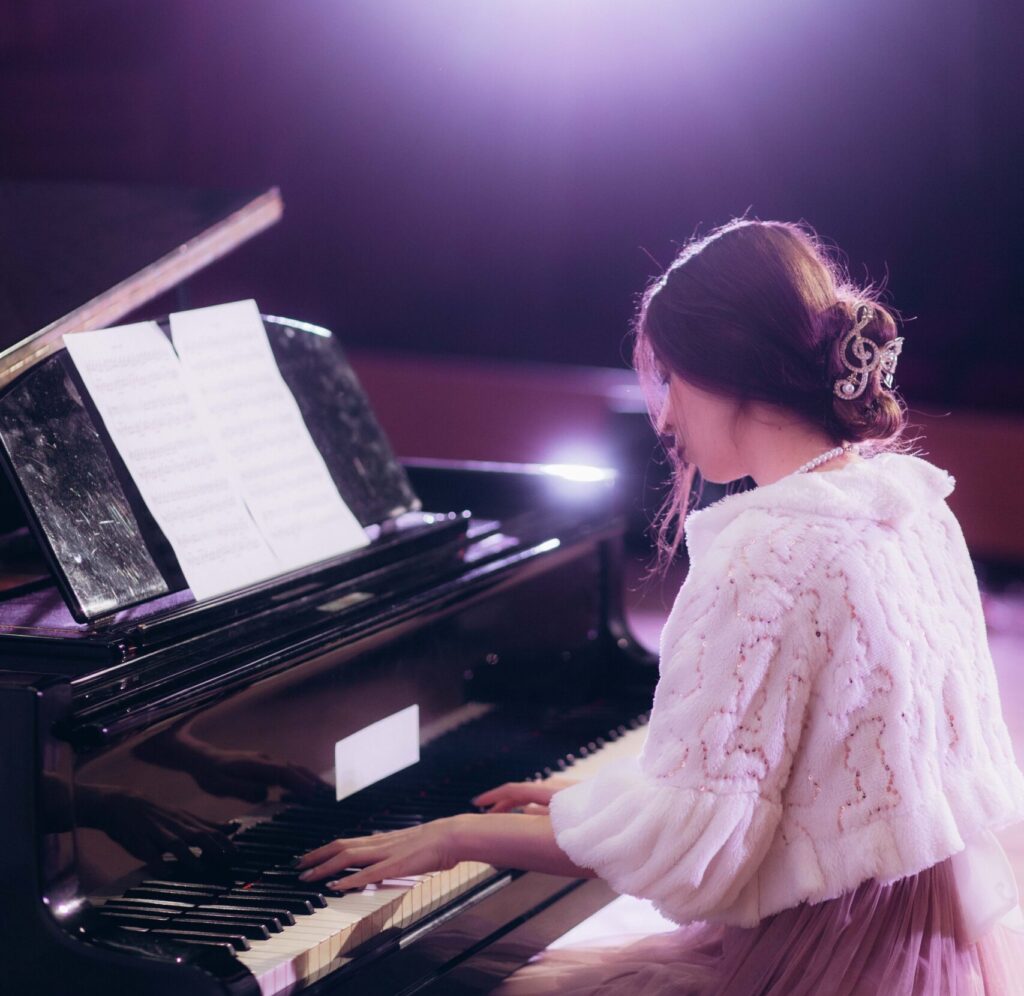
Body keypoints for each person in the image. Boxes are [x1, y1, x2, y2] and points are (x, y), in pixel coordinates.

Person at [294, 218, 1024, 993]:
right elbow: (821, 778)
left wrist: (458, 835)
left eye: (670, 380)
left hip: (817, 965)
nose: (665, 418)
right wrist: (589, 805)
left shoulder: (765, 552)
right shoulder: (913, 507)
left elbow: (699, 849)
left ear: (726, 370)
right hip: (923, 946)